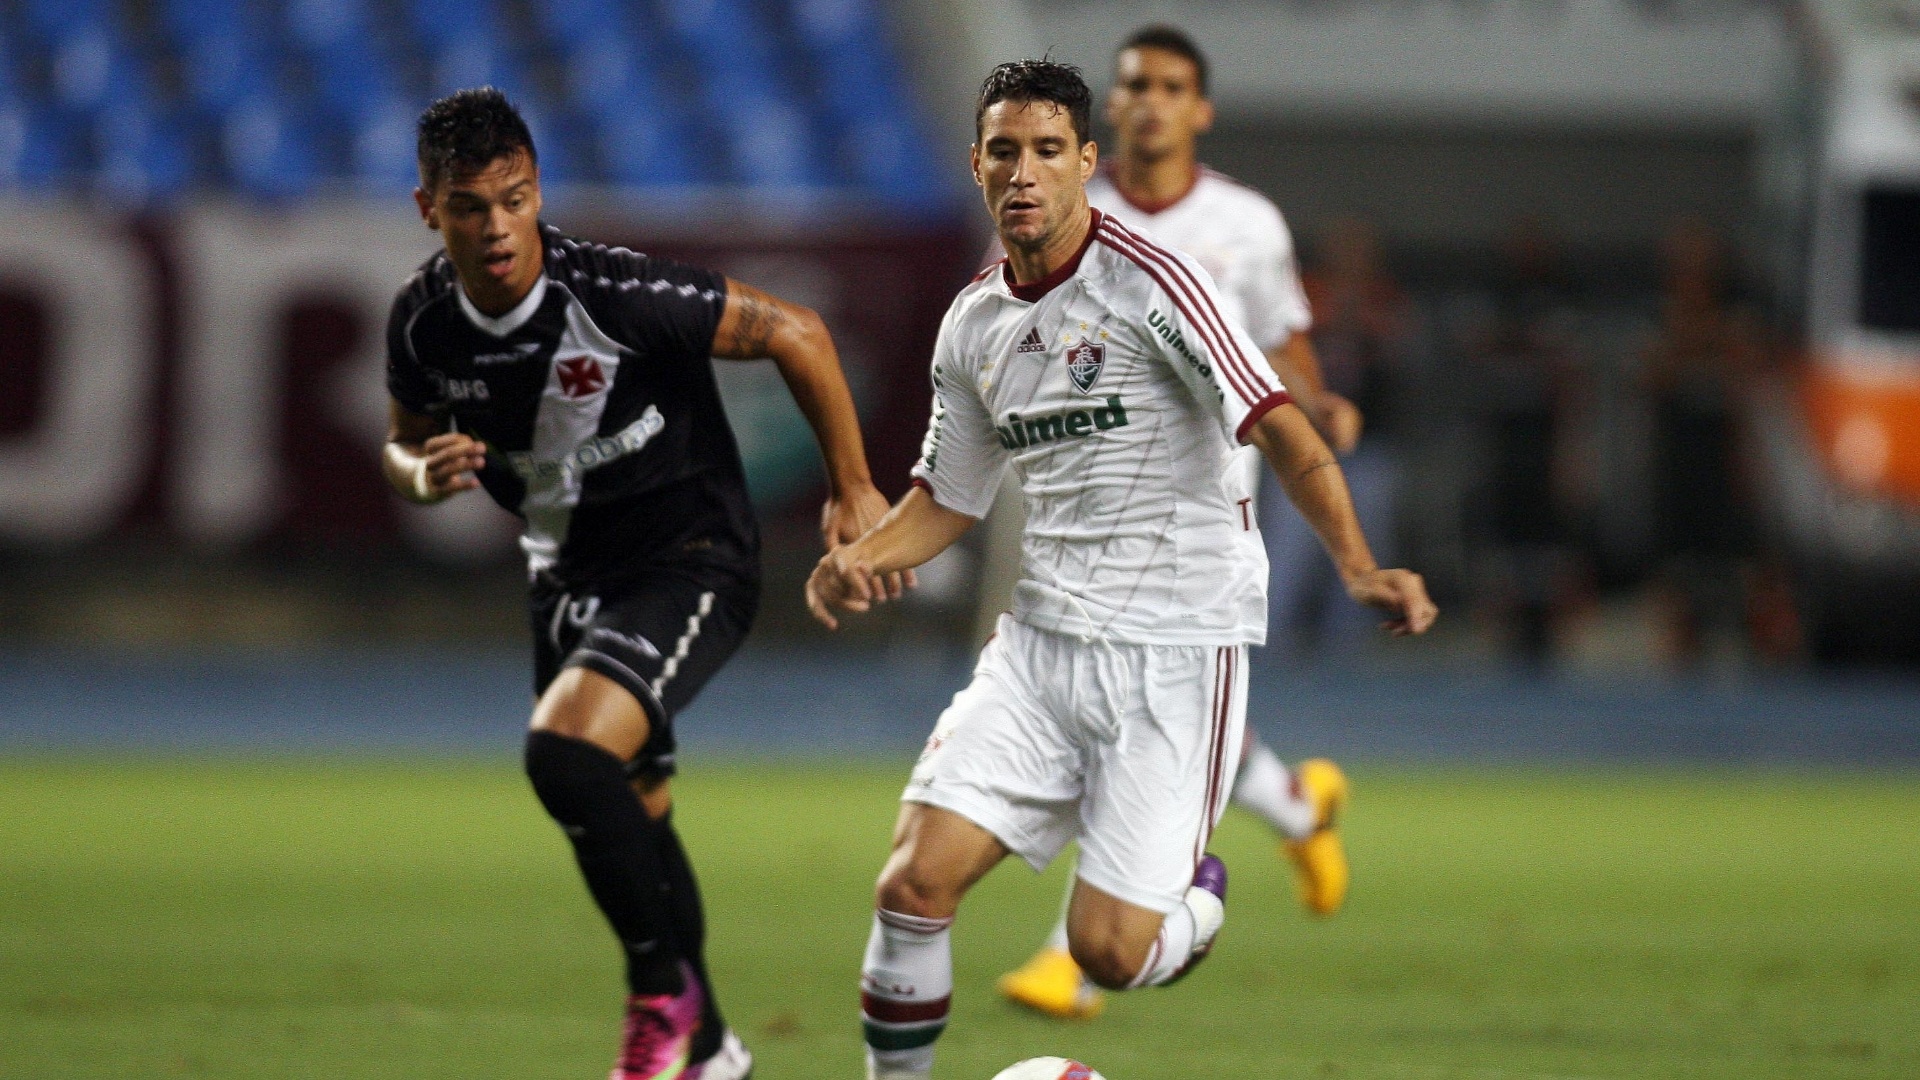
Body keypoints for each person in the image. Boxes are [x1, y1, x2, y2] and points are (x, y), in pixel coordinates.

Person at [806, 60, 1435, 1080]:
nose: (1025, 172)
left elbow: (1282, 428)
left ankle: (1197, 895)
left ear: (1085, 163)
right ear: (976, 165)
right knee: (912, 887)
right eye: (1004, 152)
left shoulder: (1155, 286)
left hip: (1175, 655)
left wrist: (1358, 567)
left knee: (1108, 953)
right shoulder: (974, 323)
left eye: (1048, 151)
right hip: (1041, 648)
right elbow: (950, 498)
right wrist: (857, 560)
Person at [381, 88, 896, 1080]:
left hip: (690, 559)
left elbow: (799, 331)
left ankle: (661, 999)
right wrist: (423, 475)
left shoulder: (614, 296)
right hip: (566, 579)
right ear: (427, 210)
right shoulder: (422, 326)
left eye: (514, 199)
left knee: (566, 757)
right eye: (468, 208)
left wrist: (853, 488)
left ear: (538, 193)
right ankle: (709, 1048)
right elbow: (401, 450)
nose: (496, 228)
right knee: (634, 809)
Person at [994, 25, 1368, 1021]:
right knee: (1139, 709)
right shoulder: (1068, 204)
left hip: (1202, 500)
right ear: (1110, 107)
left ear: (1199, 108)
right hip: (1086, 494)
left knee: (1118, 708)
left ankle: (1069, 957)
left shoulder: (1246, 223)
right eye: (1134, 86)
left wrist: (1319, 410)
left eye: (1171, 87)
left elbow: (1284, 345)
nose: (1150, 101)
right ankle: (1297, 805)